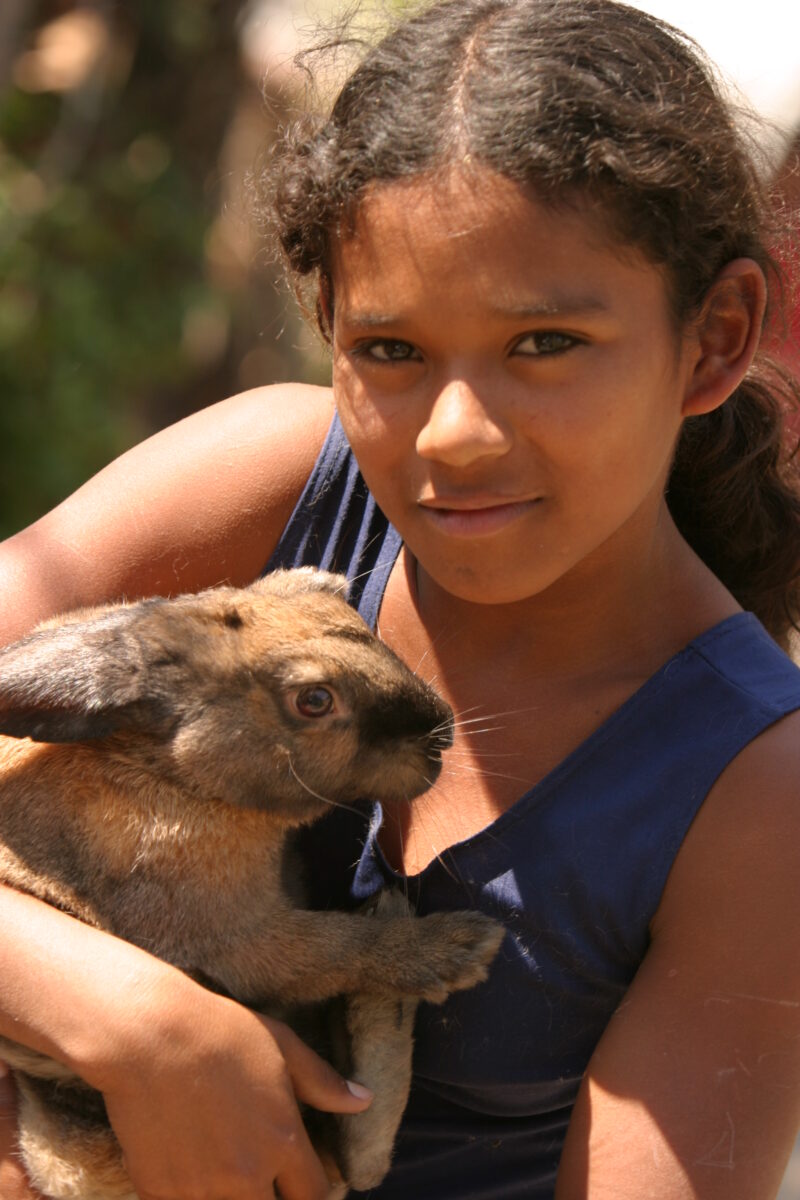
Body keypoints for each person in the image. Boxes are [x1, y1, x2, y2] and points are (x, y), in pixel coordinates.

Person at [1, 0, 800, 1196]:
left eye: (543, 344)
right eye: (389, 351)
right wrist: (128, 1020)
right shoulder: (271, 486)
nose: (457, 434)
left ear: (714, 339)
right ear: (324, 330)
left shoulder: (750, 793)